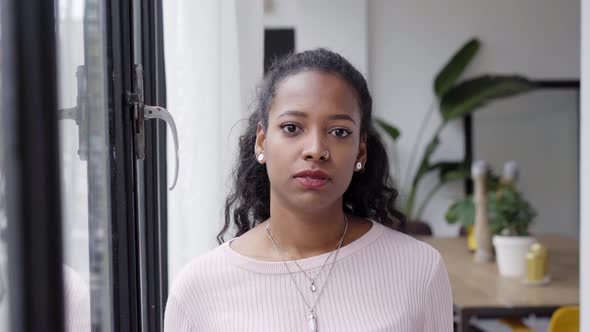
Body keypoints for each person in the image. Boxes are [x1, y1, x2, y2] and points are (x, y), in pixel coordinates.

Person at [164, 48, 453, 331]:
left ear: (360, 152)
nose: (316, 150)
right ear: (262, 143)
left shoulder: (419, 269)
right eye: (292, 128)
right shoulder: (198, 289)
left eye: (339, 132)